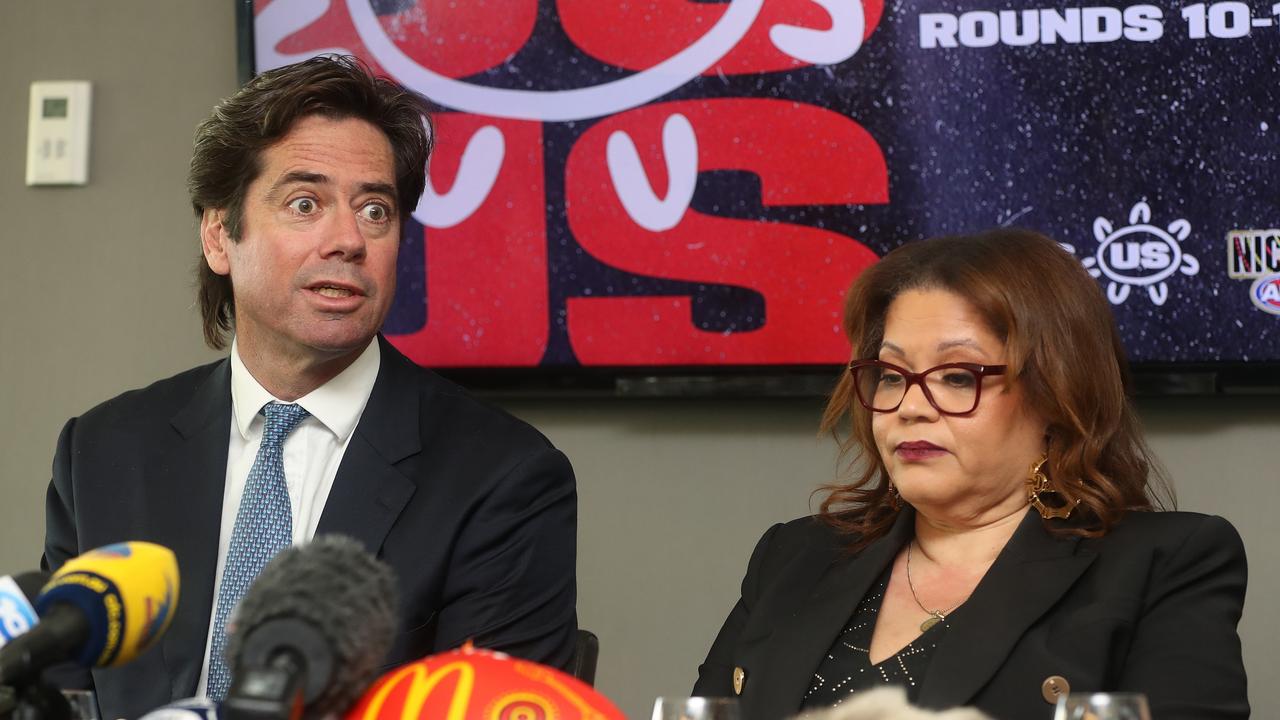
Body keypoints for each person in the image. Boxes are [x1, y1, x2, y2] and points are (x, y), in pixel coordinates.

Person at [41, 55, 577, 719]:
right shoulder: (103, 452)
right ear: (218, 235)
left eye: (375, 210)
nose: (349, 239)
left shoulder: (501, 477)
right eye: (305, 203)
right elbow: (58, 694)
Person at [693, 229, 1248, 719]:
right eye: (890, 375)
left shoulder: (1165, 564)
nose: (909, 406)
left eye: (957, 376)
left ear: (1056, 394)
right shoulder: (794, 556)